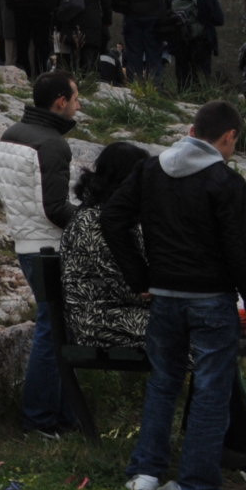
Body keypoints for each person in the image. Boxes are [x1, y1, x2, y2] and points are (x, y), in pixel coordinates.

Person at [102, 100, 246, 490]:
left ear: (192, 128)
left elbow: (113, 219)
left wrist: (141, 277)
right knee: (212, 392)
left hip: (164, 298)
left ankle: (145, 473)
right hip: (212, 300)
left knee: (163, 383)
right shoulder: (225, 183)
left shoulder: (150, 170)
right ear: (228, 136)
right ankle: (195, 488)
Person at [0, 70, 84, 436]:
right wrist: (91, 223)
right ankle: (39, 419)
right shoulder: (52, 145)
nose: (79, 105)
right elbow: (54, 208)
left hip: (24, 242)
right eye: (76, 98)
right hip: (49, 248)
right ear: (60, 102)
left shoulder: (12, 134)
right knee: (53, 332)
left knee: (57, 329)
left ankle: (64, 416)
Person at [58, 140, 154, 347]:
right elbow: (128, 287)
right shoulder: (94, 223)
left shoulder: (109, 215)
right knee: (199, 335)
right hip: (99, 320)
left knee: (205, 331)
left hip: (119, 312)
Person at [169, 0, 226, 91]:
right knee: (201, 73)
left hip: (180, 40)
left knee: (182, 71)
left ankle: (182, 96)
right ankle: (201, 97)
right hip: (202, 41)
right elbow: (219, 20)